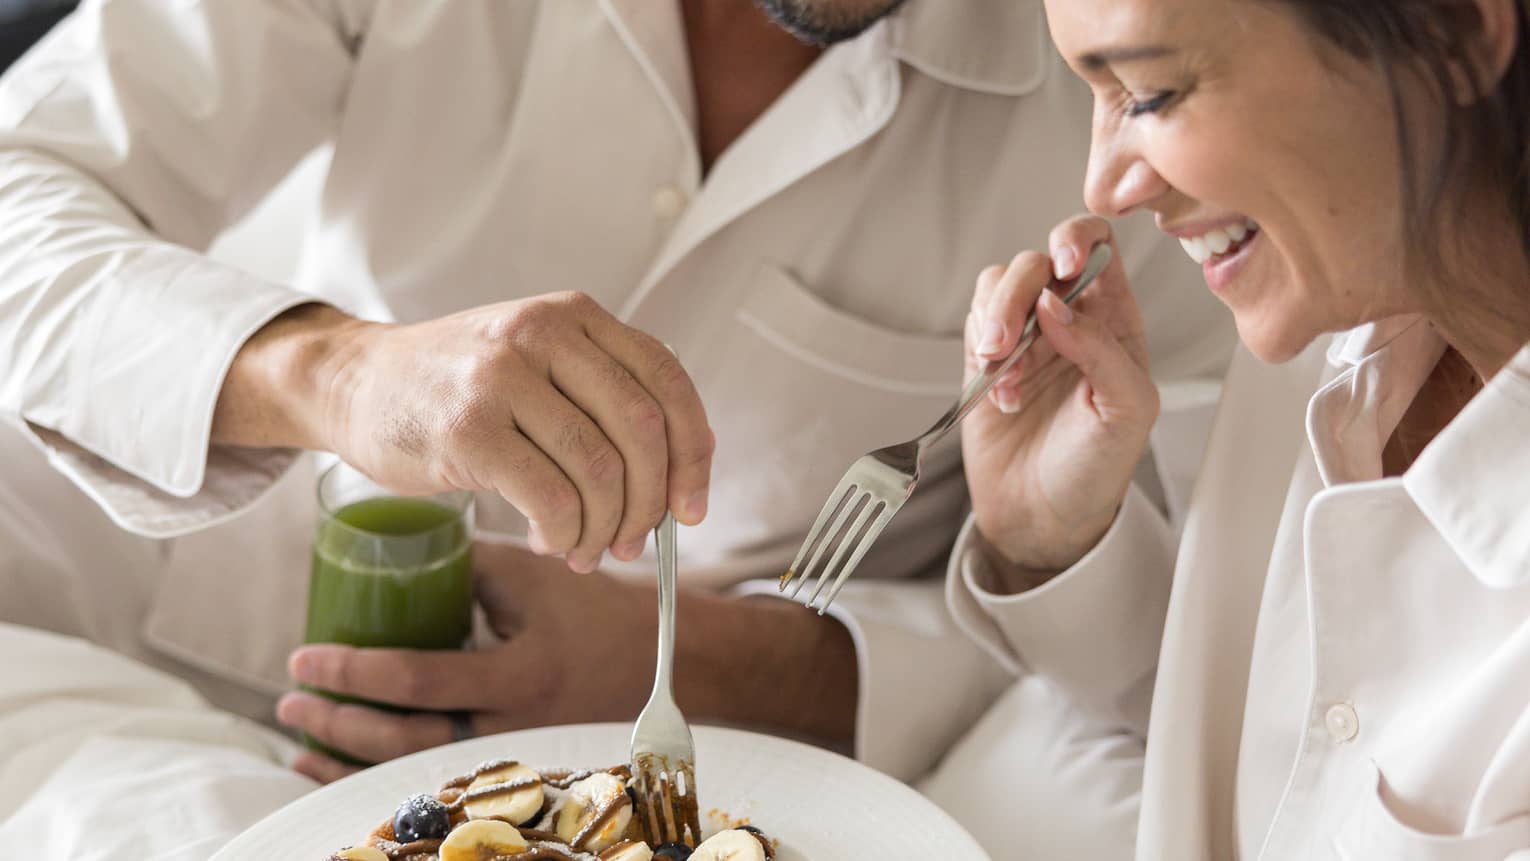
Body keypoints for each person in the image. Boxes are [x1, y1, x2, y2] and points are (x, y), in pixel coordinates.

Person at [0, 0, 1233, 818]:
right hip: (237, 631)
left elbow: (1192, 621)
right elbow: (23, 183)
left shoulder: (1141, 91)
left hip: (744, 759)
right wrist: (337, 371)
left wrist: (756, 667)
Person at [927, 0, 1530, 858]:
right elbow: (1277, 747)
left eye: (1153, 92)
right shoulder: (1323, 318)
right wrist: (1049, 540)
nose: (1103, 187)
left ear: (1456, 30)